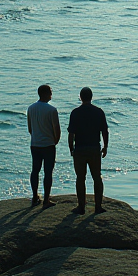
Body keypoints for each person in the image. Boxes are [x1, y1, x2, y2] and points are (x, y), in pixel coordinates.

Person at [67, 87, 109, 215]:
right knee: (97, 177)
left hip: (80, 149)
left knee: (80, 178)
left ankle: (81, 207)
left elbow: (71, 134)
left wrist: (71, 148)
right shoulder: (98, 112)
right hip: (94, 148)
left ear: (80, 97)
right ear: (91, 97)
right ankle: (98, 207)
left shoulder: (75, 112)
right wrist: (105, 146)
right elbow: (104, 131)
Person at [26, 84, 61, 209]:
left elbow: (30, 128)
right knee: (48, 172)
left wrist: (36, 136)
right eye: (50, 92)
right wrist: (55, 141)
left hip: (35, 143)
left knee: (35, 170)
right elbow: (56, 129)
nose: (52, 94)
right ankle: (46, 199)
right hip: (48, 144)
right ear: (46, 94)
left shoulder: (31, 108)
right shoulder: (51, 110)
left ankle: (35, 196)